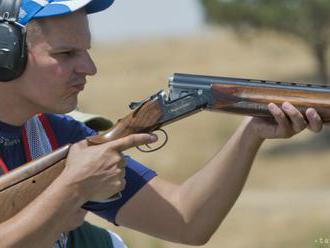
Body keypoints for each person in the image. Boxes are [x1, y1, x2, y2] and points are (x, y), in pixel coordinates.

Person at [0, 0, 324, 247]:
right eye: (67, 53)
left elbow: (186, 220)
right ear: (6, 51)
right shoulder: (67, 149)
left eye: (85, 51)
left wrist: (251, 132)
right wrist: (74, 187)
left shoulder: (58, 133)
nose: (88, 67)